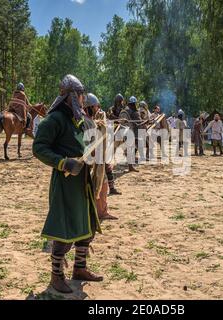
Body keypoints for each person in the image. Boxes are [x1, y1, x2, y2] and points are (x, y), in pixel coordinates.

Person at [33, 75, 103, 294]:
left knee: (88, 226)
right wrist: (63, 162)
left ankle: (79, 269)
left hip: (83, 183)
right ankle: (56, 276)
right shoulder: (54, 119)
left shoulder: (77, 119)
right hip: (65, 183)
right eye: (81, 94)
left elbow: (82, 143)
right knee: (64, 231)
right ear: (73, 96)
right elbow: (39, 148)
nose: (83, 99)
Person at [85, 93, 118, 221]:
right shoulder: (86, 121)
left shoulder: (90, 120)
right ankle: (99, 212)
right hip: (90, 161)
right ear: (89, 107)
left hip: (96, 160)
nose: (96, 110)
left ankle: (101, 211)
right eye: (94, 107)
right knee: (98, 184)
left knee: (102, 182)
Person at [120, 96, 142, 172]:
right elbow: (137, 122)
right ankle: (130, 167)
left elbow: (133, 122)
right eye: (135, 104)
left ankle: (130, 166)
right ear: (133, 104)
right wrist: (142, 123)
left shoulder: (127, 110)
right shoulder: (132, 111)